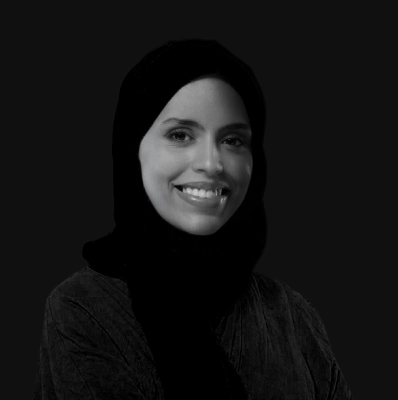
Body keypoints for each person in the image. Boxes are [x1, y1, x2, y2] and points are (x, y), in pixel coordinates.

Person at [33, 39, 353, 399]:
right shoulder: (82, 307)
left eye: (233, 140)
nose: (212, 163)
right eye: (181, 135)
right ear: (132, 149)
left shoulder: (291, 313)